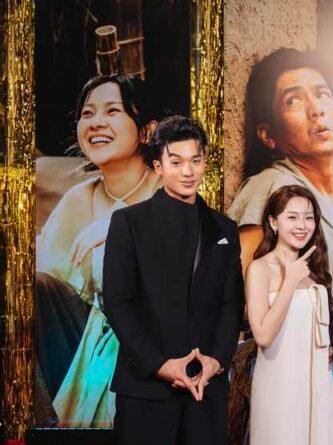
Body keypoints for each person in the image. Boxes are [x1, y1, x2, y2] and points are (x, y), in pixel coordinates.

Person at [104, 115, 244, 445]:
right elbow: (118, 303)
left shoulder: (224, 228)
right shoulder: (129, 223)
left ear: (205, 162)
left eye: (195, 160)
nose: (187, 171)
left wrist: (216, 361)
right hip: (146, 390)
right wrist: (160, 365)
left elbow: (231, 302)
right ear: (158, 166)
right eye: (176, 162)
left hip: (204, 389)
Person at [35, 74, 162, 426]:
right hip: (82, 344)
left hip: (149, 345)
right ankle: (45, 426)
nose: (96, 123)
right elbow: (52, 289)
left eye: (112, 111)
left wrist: (122, 230)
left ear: (147, 130)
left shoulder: (167, 189)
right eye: (87, 114)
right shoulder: (78, 199)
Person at [228, 48, 333, 277]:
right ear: (268, 135)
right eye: (293, 101)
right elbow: (236, 281)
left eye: (322, 94)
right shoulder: (270, 185)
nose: (316, 110)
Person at [246, 185, 333, 444]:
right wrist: (289, 282)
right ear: (273, 222)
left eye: (309, 217)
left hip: (317, 385)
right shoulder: (260, 269)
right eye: (292, 217)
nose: (302, 225)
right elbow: (263, 336)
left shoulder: (315, 270)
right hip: (279, 386)